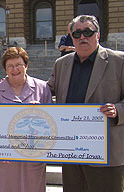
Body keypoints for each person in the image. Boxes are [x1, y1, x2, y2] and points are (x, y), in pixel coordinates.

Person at [48, 15, 124, 192]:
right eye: (77, 33)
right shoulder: (61, 64)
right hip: (71, 152)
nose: (82, 37)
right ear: (71, 37)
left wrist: (118, 110)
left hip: (107, 155)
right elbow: (45, 92)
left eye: (88, 32)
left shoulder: (119, 61)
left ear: (97, 34)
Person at [0, 47, 52, 192]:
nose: (15, 69)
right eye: (10, 66)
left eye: (18, 65)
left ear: (26, 66)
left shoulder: (42, 88)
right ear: (5, 69)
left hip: (32, 156)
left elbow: (51, 124)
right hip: (4, 159)